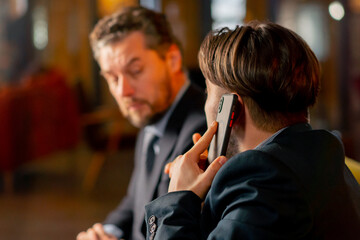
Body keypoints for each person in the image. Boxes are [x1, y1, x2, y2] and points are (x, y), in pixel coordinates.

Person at [144, 21, 360, 239]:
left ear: (231, 110)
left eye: (207, 93)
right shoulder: (324, 156)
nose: (204, 105)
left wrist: (177, 201)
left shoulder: (263, 179)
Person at [76, 6, 207, 240]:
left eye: (135, 70)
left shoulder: (200, 132)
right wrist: (105, 232)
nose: (123, 91)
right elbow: (135, 200)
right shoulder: (151, 114)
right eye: (112, 77)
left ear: (173, 59)